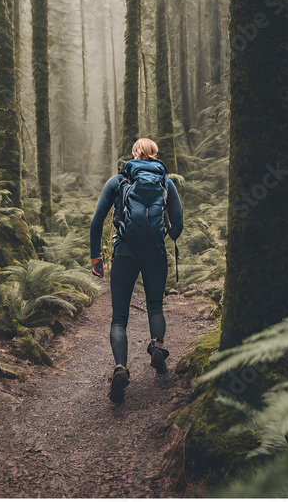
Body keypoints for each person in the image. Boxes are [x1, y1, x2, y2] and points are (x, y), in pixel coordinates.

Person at [89, 138, 183, 403]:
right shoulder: (166, 183)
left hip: (124, 254)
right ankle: (157, 346)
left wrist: (96, 258)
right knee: (155, 305)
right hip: (154, 254)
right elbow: (178, 224)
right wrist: (163, 235)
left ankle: (120, 368)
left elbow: (96, 223)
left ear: (133, 154)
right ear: (154, 155)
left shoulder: (117, 182)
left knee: (119, 317)